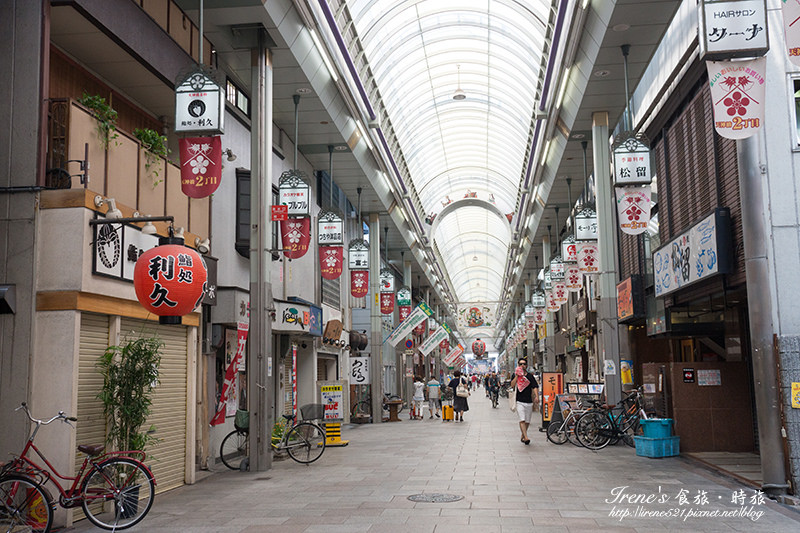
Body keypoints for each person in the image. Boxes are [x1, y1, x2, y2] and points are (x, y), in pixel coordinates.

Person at [510, 358, 539, 444]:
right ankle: (526, 437)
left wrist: (537, 396)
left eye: (524, 364)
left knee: (527, 421)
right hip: (519, 401)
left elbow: (534, 386)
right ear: (518, 365)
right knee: (522, 419)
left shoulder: (530, 376)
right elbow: (512, 385)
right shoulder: (515, 375)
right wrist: (517, 376)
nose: (522, 365)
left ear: (526, 366)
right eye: (520, 364)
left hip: (529, 401)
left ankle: (523, 435)